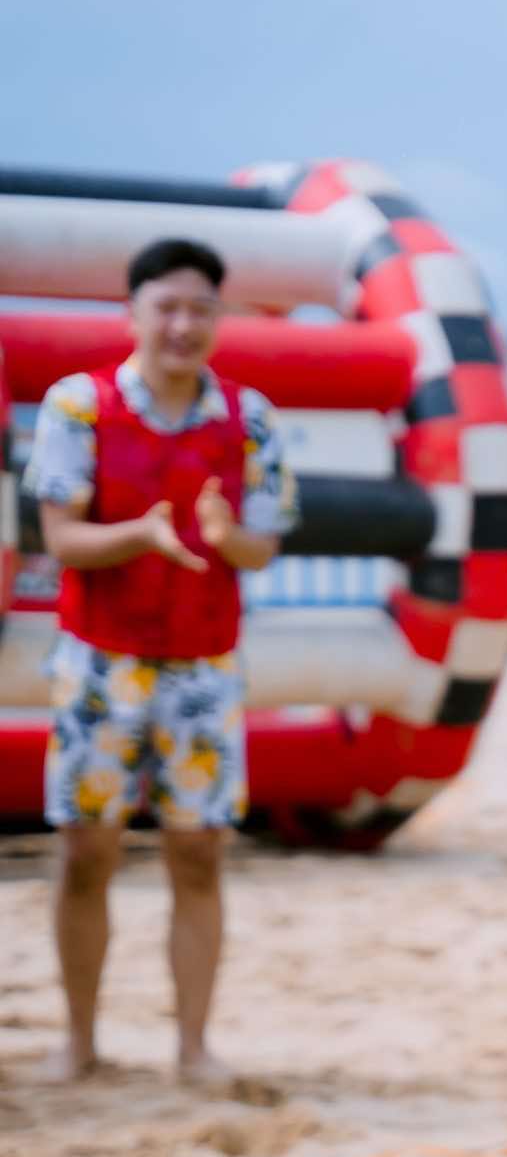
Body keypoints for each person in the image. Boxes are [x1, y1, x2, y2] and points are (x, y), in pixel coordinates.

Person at [25, 237, 295, 1084]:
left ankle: (193, 1046)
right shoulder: (79, 405)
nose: (184, 325)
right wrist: (140, 535)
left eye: (200, 309)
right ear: (132, 314)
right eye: (167, 307)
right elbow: (60, 537)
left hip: (203, 665)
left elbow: (261, 548)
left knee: (199, 853)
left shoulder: (249, 418)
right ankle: (79, 1040)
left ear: (219, 318)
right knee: (86, 852)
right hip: (100, 662)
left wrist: (224, 536)